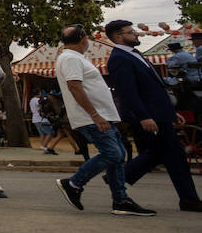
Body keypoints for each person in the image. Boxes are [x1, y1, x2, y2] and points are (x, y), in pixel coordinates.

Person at [53, 25, 154, 216]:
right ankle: (74, 183)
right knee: (113, 154)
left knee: (117, 156)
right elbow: (74, 87)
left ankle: (121, 200)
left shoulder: (74, 58)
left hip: (100, 116)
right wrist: (95, 115)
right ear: (84, 40)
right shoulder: (70, 58)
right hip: (92, 117)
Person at [104, 20, 202, 213]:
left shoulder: (135, 55)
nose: (136, 34)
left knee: (164, 153)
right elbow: (128, 92)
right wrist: (144, 116)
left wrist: (170, 112)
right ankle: (189, 199)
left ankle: (119, 177)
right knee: (172, 153)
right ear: (118, 37)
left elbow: (155, 88)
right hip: (149, 116)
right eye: (130, 32)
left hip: (159, 113)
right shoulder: (119, 58)